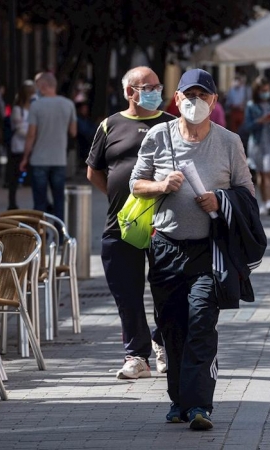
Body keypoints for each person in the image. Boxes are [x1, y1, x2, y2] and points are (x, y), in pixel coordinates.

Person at [130, 68, 254, 431]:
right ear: (177, 99)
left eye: (203, 96)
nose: (195, 102)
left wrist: (220, 201)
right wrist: (161, 185)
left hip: (207, 252)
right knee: (172, 326)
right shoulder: (157, 136)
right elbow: (137, 185)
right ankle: (178, 402)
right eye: (189, 95)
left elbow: (246, 192)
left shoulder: (229, 142)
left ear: (214, 102)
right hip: (166, 247)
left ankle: (200, 405)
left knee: (201, 321)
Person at [86, 67, 174, 380]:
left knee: (167, 289)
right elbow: (94, 170)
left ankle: (163, 341)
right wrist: (121, 200)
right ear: (129, 92)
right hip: (119, 226)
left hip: (165, 224)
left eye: (157, 86)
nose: (154, 91)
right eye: (146, 87)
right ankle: (137, 355)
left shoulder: (171, 124)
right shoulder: (110, 125)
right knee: (127, 293)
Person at [19, 72, 77, 220]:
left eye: (37, 86)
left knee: (39, 203)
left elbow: (31, 135)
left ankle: (41, 236)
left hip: (39, 160)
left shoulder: (36, 106)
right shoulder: (68, 104)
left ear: (43, 86)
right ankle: (61, 237)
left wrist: (25, 157)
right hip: (59, 160)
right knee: (59, 202)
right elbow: (73, 132)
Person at [243, 76, 270, 216]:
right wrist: (260, 121)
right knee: (261, 173)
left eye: (267, 90)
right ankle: (264, 201)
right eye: (262, 90)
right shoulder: (251, 105)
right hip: (258, 142)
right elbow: (247, 126)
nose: (265, 92)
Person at [6, 81, 35, 210]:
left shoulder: (34, 108)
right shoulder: (18, 110)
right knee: (14, 176)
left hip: (32, 146)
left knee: (36, 176)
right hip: (18, 147)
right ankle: (12, 202)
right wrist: (33, 135)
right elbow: (19, 128)